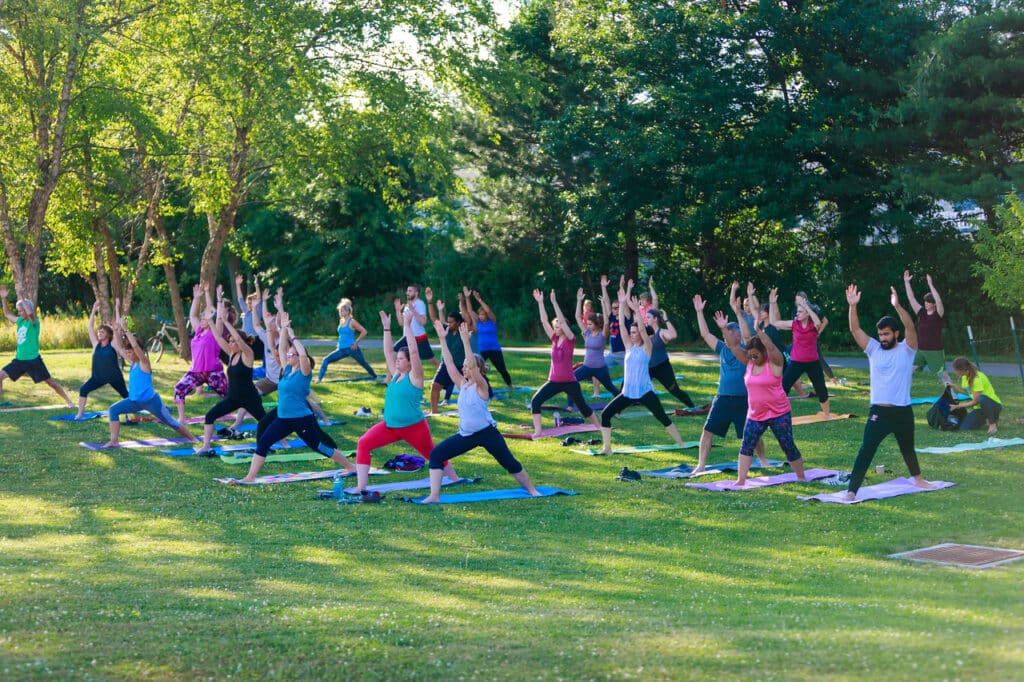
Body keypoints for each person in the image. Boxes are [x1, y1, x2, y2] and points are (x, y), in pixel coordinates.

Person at [421, 321, 540, 503]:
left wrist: (466, 342)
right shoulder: (463, 384)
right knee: (437, 454)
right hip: (466, 435)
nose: (465, 368)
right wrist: (442, 340)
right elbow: (450, 363)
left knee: (509, 462)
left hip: (487, 434)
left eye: (468, 366)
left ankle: (532, 490)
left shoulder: (481, 385)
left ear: (477, 369)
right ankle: (434, 496)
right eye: (465, 366)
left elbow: (474, 368)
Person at [237, 306, 357, 484]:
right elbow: (283, 346)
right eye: (289, 354)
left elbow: (301, 354)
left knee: (319, 446)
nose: (289, 355)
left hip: (301, 419)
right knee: (263, 443)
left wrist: (293, 335)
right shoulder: (286, 370)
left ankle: (351, 467)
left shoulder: (304, 372)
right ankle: (250, 477)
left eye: (293, 354)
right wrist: (283, 328)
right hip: (283, 419)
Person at [350, 308, 460, 494]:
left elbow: (415, 351)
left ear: (409, 362)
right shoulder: (396, 375)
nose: (397, 361)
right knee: (363, 443)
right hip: (390, 426)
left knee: (433, 455)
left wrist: (408, 326)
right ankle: (361, 487)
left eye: (401, 359)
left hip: (414, 427)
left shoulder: (415, 377)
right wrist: (386, 328)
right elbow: (387, 352)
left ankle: (456, 479)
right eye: (397, 359)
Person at [844, 284, 935, 501]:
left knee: (908, 449)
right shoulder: (874, 349)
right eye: (880, 334)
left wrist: (898, 306)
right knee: (866, 450)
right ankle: (851, 491)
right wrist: (852, 306)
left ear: (896, 333)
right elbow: (855, 330)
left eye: (886, 334)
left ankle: (919, 479)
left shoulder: (907, 350)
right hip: (879, 413)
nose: (882, 338)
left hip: (903, 411)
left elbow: (911, 327)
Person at [719, 309, 808, 486]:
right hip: (756, 414)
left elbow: (773, 347)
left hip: (778, 413)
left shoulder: (775, 362)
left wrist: (759, 332)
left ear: (764, 352)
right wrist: (724, 329)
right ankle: (741, 480)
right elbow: (734, 347)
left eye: (755, 354)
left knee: (787, 445)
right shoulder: (750, 363)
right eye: (750, 354)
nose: (752, 357)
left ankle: (801, 477)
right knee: (747, 445)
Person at [597, 293, 687, 455]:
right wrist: (623, 303)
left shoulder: (647, 347)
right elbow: (622, 326)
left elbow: (644, 332)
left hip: (645, 391)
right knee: (605, 414)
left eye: (635, 332)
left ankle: (681, 443)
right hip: (628, 392)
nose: (632, 334)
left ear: (640, 333)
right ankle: (607, 448)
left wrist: (637, 310)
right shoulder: (628, 347)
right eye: (631, 332)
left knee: (662, 418)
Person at [689, 291, 768, 474]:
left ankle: (763, 460)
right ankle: (701, 465)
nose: (725, 338)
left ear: (737, 336)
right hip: (723, 398)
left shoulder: (747, 351)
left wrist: (738, 313)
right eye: (724, 335)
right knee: (707, 431)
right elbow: (705, 333)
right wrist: (699, 312)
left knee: (752, 434)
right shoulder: (722, 348)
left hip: (743, 399)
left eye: (728, 334)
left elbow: (748, 336)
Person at [102, 307, 197, 448]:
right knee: (113, 410)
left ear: (138, 351)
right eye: (127, 352)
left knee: (170, 422)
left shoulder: (144, 363)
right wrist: (116, 331)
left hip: (151, 402)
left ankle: (193, 439)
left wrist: (126, 330)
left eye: (131, 352)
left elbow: (135, 346)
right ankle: (114, 440)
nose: (128, 354)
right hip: (134, 402)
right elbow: (120, 348)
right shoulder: (132, 363)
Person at [195, 296, 266, 455]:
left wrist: (227, 323)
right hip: (233, 398)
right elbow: (219, 338)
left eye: (234, 341)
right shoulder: (232, 354)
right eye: (231, 341)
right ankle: (206, 446)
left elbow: (241, 343)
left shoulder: (248, 354)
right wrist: (212, 322)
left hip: (250, 398)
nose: (231, 343)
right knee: (210, 416)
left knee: (265, 421)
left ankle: (283, 442)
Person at [529, 289, 602, 437]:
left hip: (569, 381)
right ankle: (538, 432)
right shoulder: (554, 339)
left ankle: (599, 427)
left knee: (583, 407)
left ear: (564, 327)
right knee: (535, 401)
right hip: (554, 381)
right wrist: (541, 303)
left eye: (557, 326)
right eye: (554, 326)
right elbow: (544, 321)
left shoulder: (570, 339)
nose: (555, 328)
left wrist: (554, 302)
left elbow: (562, 321)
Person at [0, 286, 74, 407]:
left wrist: (21, 296)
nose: (19, 313)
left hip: (33, 360)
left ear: (26, 309)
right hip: (19, 360)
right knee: (0, 376)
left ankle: (69, 401)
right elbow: (7, 314)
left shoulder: (34, 322)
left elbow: (30, 313)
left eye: (20, 310)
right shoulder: (19, 321)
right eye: (18, 311)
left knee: (51, 382)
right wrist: (4, 299)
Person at [769, 288, 832, 417]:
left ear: (807, 313)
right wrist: (772, 303)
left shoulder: (813, 326)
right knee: (783, 386)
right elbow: (774, 322)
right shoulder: (794, 324)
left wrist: (806, 307)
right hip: (796, 361)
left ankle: (827, 414)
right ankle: (776, 414)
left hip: (813, 362)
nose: (797, 313)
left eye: (800, 311)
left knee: (821, 389)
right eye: (797, 311)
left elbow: (819, 322)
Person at [173, 284, 227, 424]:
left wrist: (219, 299)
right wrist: (197, 298)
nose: (202, 321)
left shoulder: (215, 332)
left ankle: (243, 411)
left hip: (213, 372)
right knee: (179, 389)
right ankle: (182, 418)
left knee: (229, 395)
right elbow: (192, 315)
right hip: (196, 371)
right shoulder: (198, 331)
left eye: (205, 319)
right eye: (201, 319)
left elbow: (220, 318)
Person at [76, 301, 128, 419]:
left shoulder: (113, 344)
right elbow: (89, 327)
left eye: (102, 332)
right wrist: (94, 309)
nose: (99, 333)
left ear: (109, 335)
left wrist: (117, 307)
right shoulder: (96, 344)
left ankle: (137, 409)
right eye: (99, 331)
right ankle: (79, 414)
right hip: (97, 377)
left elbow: (118, 329)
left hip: (114, 377)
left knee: (126, 395)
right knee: (83, 389)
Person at [644, 302, 696, 408]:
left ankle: (692, 407)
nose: (646, 319)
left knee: (674, 390)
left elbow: (673, 335)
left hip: (662, 367)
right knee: (632, 383)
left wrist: (666, 319)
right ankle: (618, 409)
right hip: (647, 367)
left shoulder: (662, 332)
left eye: (648, 317)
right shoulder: (644, 332)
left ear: (655, 319)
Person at [570, 285, 618, 401]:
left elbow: (606, 323)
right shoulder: (587, 332)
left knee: (610, 387)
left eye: (590, 324)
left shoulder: (603, 334)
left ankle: (624, 401)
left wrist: (603, 305)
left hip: (600, 368)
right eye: (587, 323)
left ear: (597, 324)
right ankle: (570, 405)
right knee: (571, 381)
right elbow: (577, 317)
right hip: (586, 366)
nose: (587, 325)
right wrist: (579, 300)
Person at [904, 271, 951, 384]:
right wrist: (907, 283)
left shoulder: (938, 314)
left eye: (928, 302)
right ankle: (900, 394)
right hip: (921, 350)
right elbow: (911, 299)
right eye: (925, 302)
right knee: (908, 370)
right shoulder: (921, 313)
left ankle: (953, 396)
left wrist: (930, 284)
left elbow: (939, 300)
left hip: (935, 351)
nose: (925, 304)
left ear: (933, 304)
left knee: (943, 374)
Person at [316, 297, 376, 383]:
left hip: (351, 349)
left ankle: (375, 377)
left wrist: (356, 342)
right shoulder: (341, 321)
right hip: (341, 349)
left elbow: (364, 332)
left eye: (342, 311)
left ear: (348, 312)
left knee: (363, 363)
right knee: (326, 360)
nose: (340, 312)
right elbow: (342, 335)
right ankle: (319, 379)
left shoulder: (352, 322)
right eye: (340, 311)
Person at [387, 284, 436, 382]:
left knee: (432, 360)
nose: (407, 293)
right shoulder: (406, 306)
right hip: (406, 337)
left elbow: (423, 321)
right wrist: (397, 311)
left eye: (410, 291)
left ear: (416, 293)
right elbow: (401, 323)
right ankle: (389, 380)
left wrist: (413, 309)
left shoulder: (420, 304)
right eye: (407, 291)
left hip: (419, 338)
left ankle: (447, 376)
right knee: (392, 353)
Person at [467, 289, 514, 389]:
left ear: (487, 316)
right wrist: (467, 297)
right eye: (480, 314)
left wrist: (479, 299)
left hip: (494, 349)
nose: (481, 316)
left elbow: (488, 310)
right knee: (477, 368)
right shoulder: (478, 322)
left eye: (483, 314)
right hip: (482, 350)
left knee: (502, 369)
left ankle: (510, 386)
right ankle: (477, 385)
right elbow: (470, 311)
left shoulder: (492, 321)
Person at [427, 300, 466, 414]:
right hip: (446, 365)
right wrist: (430, 301)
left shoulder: (463, 330)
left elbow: (471, 320)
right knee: (435, 387)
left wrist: (464, 303)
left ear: (458, 322)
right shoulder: (446, 329)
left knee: (469, 390)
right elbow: (434, 319)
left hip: (461, 366)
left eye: (452, 322)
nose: (449, 324)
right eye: (448, 322)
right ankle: (434, 413)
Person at [948, 357, 1002, 433]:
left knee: (982, 398)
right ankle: (986, 418)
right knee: (964, 428)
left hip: (993, 406)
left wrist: (957, 406)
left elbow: (975, 401)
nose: (955, 372)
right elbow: (968, 392)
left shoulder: (977, 378)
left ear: (962, 370)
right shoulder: (965, 376)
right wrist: (954, 386)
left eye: (955, 370)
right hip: (980, 408)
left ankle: (992, 424)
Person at [601, 275, 631, 373]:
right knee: (600, 369)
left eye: (615, 308)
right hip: (612, 354)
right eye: (613, 307)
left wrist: (621, 286)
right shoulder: (612, 317)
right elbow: (606, 301)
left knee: (630, 375)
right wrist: (604, 287)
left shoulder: (626, 317)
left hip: (623, 354)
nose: (613, 309)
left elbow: (625, 303)